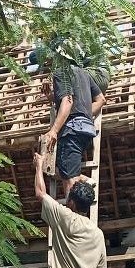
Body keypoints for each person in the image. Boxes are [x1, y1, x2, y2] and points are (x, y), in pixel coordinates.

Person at [38, 56, 105, 196]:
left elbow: (67, 101)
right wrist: (84, 113)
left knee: (70, 182)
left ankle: (74, 214)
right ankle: (85, 181)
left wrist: (54, 130)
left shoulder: (61, 72)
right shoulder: (84, 74)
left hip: (71, 132)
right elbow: (101, 100)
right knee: (69, 173)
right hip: (86, 131)